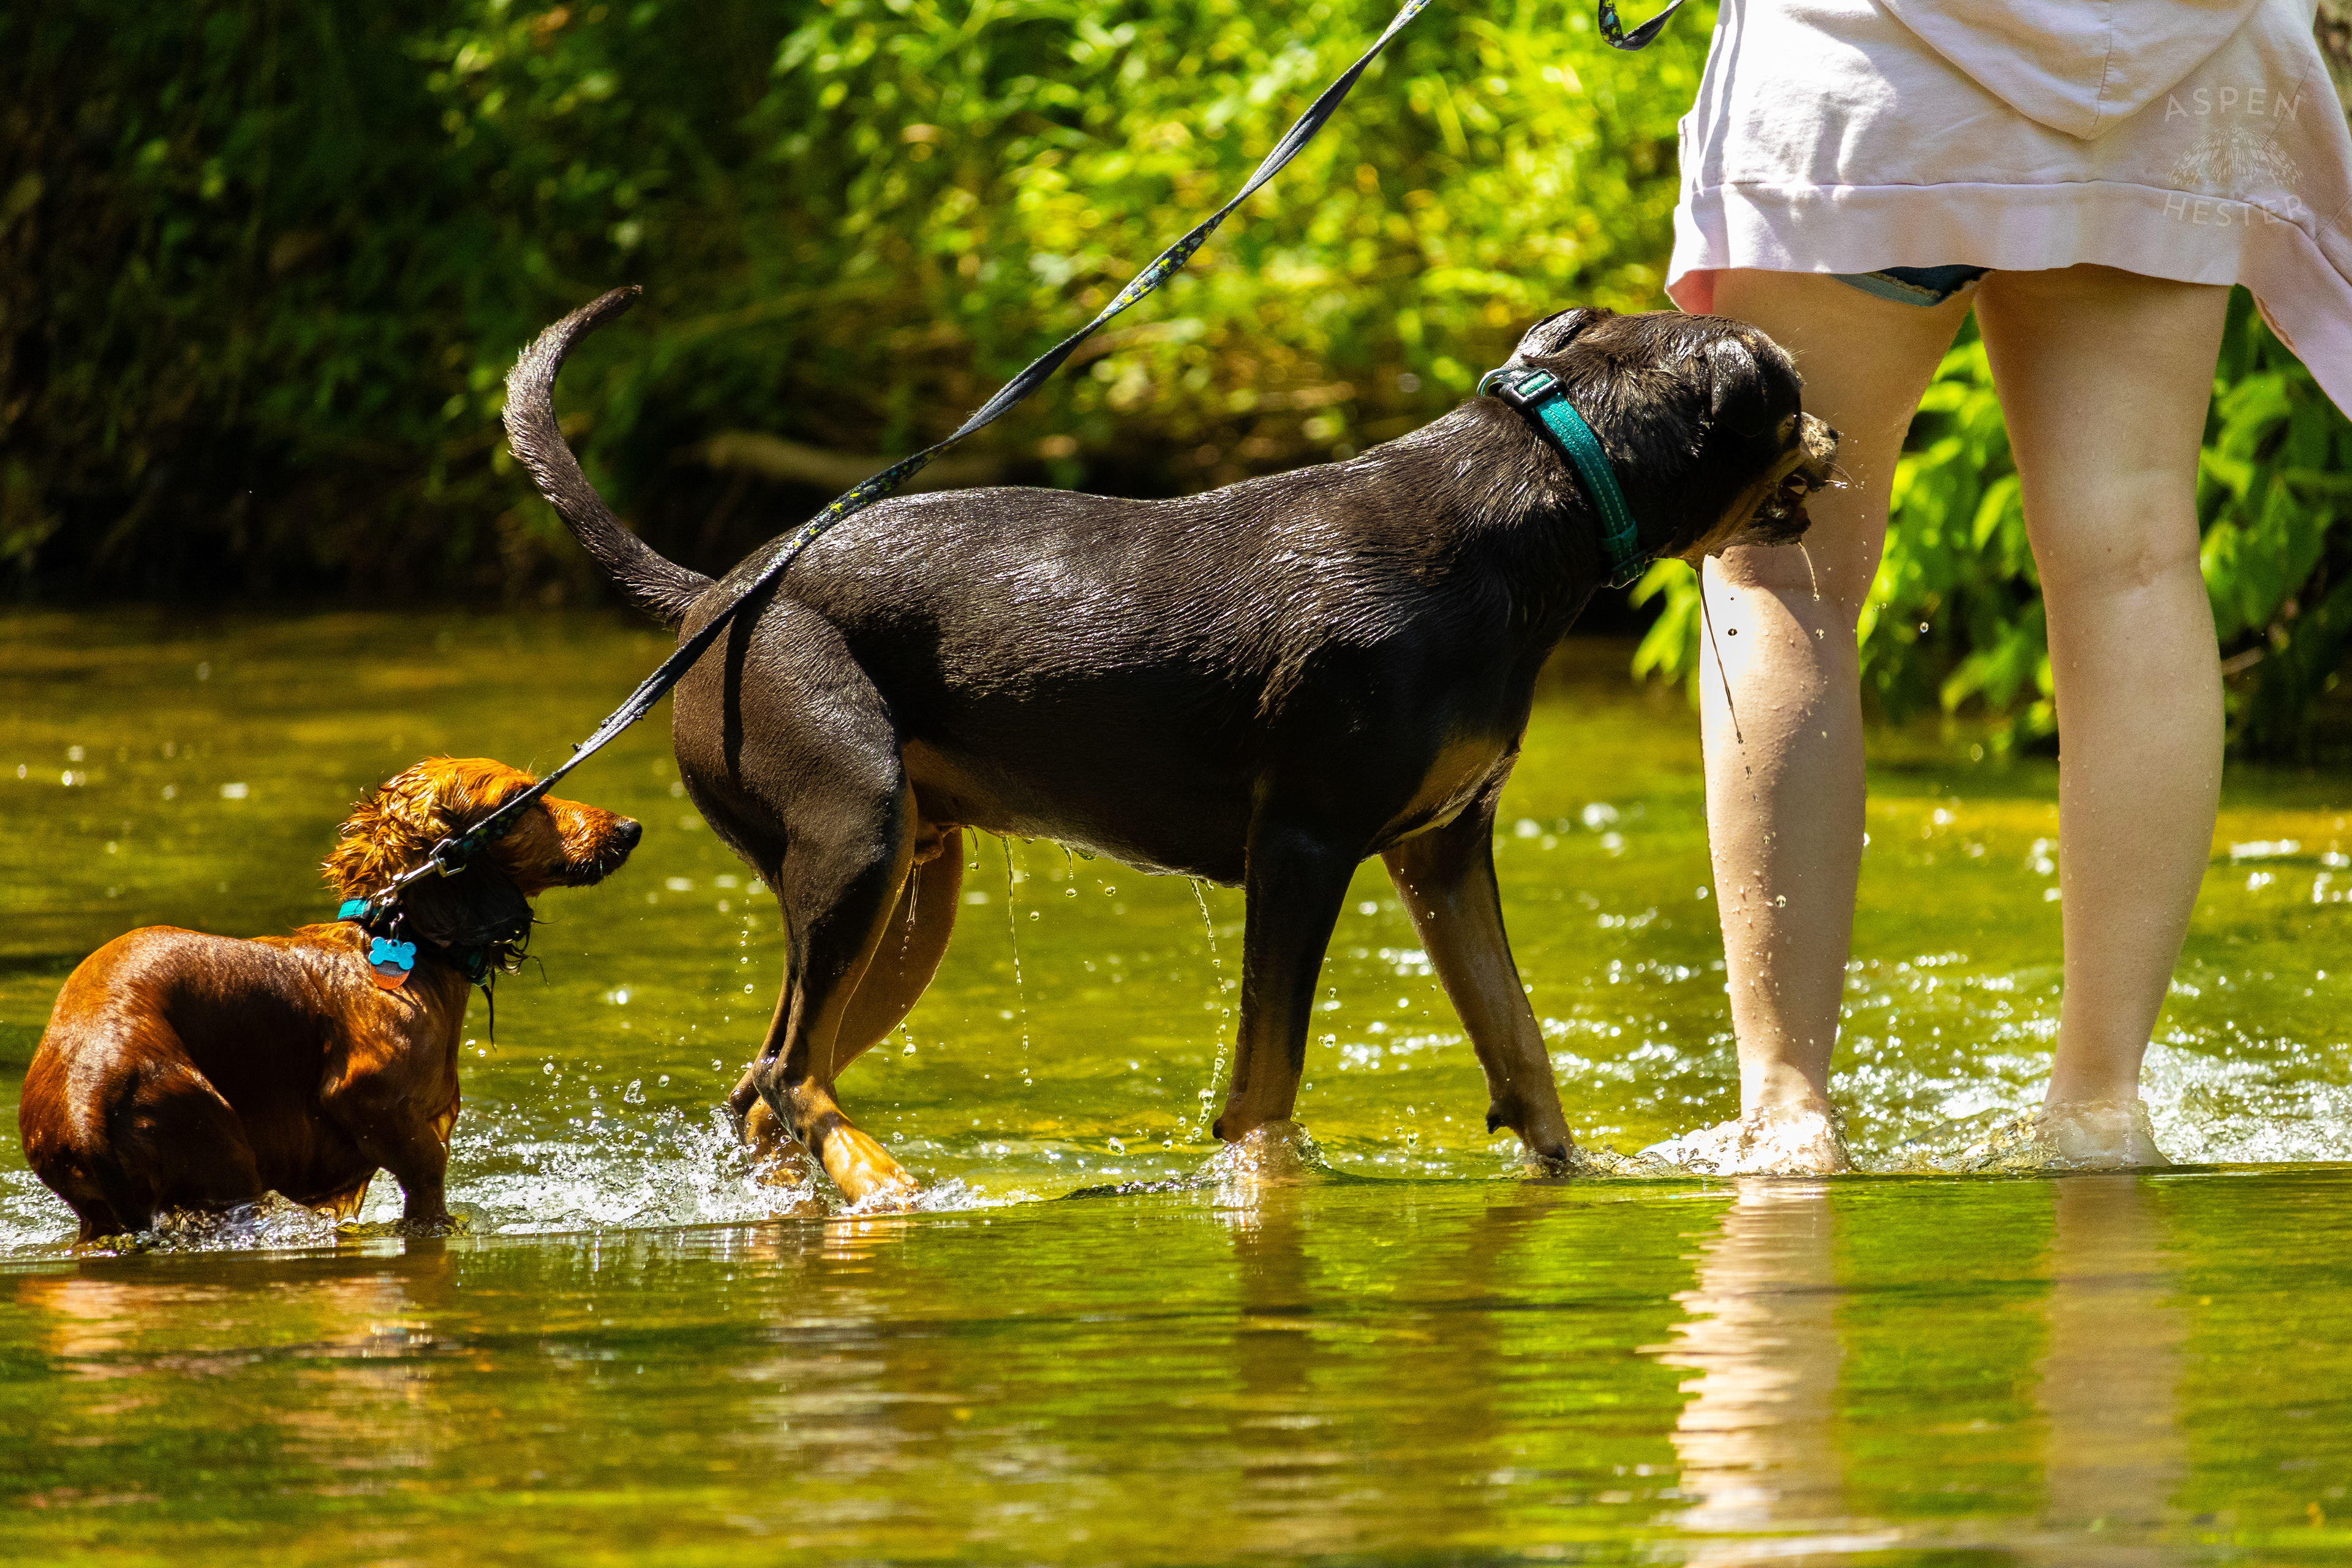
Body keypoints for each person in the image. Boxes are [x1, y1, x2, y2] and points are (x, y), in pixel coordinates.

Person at [1652, 0, 2352, 1172]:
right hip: (2170, 83)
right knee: (2133, 565)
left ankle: (1786, 1115)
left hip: (1870, 81)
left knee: (1785, 567)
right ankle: (2099, 1105)